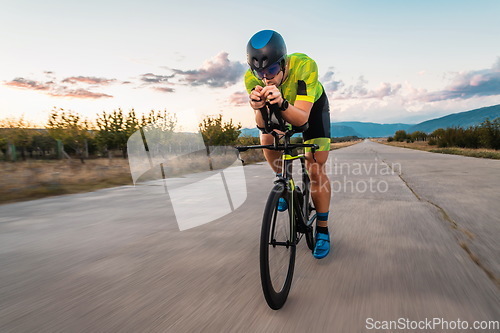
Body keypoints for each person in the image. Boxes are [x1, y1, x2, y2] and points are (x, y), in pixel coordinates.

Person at [245, 30, 332, 259]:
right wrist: (257, 108)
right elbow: (263, 125)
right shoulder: (251, 79)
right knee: (266, 139)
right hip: (279, 106)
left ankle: (322, 229)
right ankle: (286, 185)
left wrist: (282, 103)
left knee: (315, 166)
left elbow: (302, 118)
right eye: (259, 72)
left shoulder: (305, 65)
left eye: (272, 70)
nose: (266, 78)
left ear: (283, 63)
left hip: (311, 111)